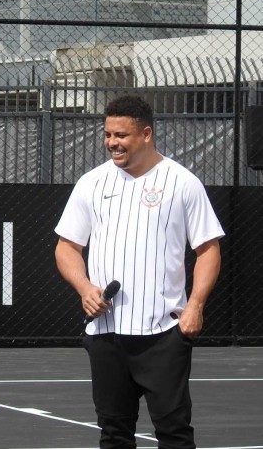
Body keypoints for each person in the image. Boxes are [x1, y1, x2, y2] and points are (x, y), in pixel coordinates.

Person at [54, 95, 224, 448]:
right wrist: (85, 288)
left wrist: (195, 306)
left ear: (146, 134)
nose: (112, 143)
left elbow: (208, 250)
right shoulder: (91, 183)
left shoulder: (182, 182)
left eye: (122, 135)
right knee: (114, 434)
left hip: (164, 335)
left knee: (174, 433)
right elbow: (66, 247)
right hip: (106, 335)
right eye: (108, 134)